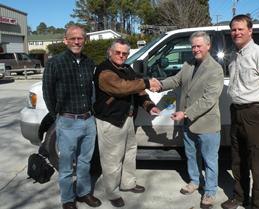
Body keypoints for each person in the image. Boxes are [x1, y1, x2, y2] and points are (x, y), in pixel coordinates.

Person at [155, 31, 224, 209]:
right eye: (193, 46)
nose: (195, 49)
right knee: (191, 155)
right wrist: (160, 85)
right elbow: (176, 80)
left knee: (210, 160)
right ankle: (195, 181)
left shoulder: (215, 69)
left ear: (208, 46)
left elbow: (209, 99)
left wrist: (185, 113)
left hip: (207, 124)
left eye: (199, 46)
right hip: (189, 124)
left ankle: (209, 191)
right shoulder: (188, 64)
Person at [221, 15, 259, 209]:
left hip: (256, 114)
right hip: (237, 112)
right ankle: (240, 197)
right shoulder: (233, 56)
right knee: (238, 160)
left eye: (241, 29)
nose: (236, 33)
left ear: (250, 31)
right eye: (233, 29)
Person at [93, 38, 160, 208]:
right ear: (110, 52)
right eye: (118, 52)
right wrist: (147, 82)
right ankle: (112, 191)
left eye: (125, 53)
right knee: (112, 159)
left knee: (130, 153)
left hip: (128, 119)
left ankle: (128, 183)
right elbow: (121, 87)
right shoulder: (104, 71)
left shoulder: (126, 69)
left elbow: (137, 90)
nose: (121, 56)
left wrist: (149, 105)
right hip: (111, 121)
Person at [42, 26, 101, 209]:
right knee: (66, 165)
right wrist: (58, 116)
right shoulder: (55, 63)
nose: (77, 41)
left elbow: (93, 90)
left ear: (85, 40)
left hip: (88, 121)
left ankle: (83, 193)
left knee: (85, 162)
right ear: (65, 40)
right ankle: (67, 199)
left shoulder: (88, 62)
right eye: (73, 38)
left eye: (80, 38)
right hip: (67, 121)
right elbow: (47, 93)